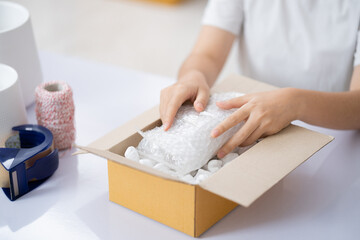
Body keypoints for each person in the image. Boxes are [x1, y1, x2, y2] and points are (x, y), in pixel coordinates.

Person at [160, 0, 360, 159]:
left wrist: (297, 103)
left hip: (334, 136)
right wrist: (193, 75)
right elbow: (207, 54)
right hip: (253, 131)